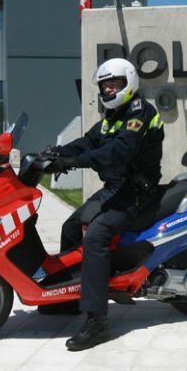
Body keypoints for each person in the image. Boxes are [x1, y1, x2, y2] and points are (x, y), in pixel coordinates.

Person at [46, 58, 165, 351]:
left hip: (138, 193)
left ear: (129, 83)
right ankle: (68, 299)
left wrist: (73, 162)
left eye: (115, 84)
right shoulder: (112, 117)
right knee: (72, 227)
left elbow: (118, 151)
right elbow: (88, 142)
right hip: (116, 189)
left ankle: (97, 321)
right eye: (105, 85)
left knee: (96, 236)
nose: (110, 89)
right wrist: (54, 153)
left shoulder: (139, 113)